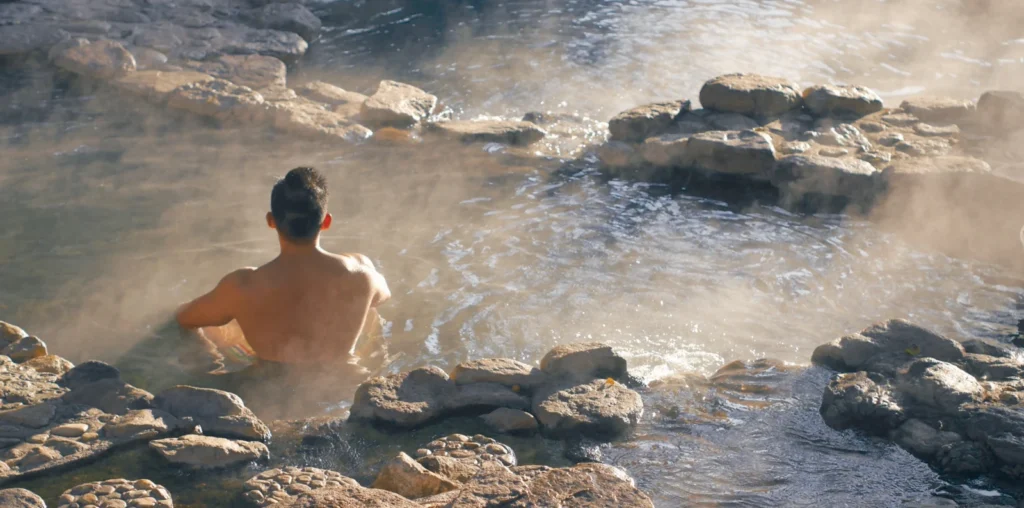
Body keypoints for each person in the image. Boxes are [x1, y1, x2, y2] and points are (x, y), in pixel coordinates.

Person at [175, 167, 391, 386]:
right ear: (326, 222)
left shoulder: (242, 286)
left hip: (267, 385)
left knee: (217, 323)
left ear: (271, 221)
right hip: (342, 381)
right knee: (369, 313)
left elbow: (185, 319)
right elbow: (383, 297)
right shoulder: (361, 274)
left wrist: (212, 353)